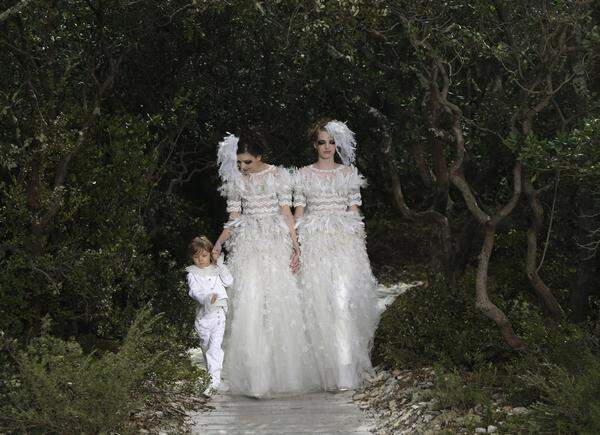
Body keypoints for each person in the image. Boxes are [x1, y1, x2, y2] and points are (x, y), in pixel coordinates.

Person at [212, 127, 319, 398]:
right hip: (248, 243)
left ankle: (281, 375)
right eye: (239, 162)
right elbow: (234, 216)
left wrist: (295, 243)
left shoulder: (279, 176)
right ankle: (254, 378)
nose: (243, 166)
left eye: (247, 161)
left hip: (274, 242)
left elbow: (286, 212)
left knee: (277, 304)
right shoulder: (236, 181)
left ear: (259, 156)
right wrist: (219, 241)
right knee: (250, 303)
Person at [293, 119, 380, 391]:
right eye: (322, 142)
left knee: (342, 304)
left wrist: (359, 250)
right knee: (319, 306)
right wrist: (295, 247)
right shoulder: (303, 175)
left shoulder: (348, 173)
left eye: (331, 142)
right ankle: (325, 372)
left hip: (344, 245)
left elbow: (354, 212)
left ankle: (345, 373)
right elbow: (298, 215)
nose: (327, 147)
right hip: (315, 243)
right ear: (314, 145)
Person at [186, 236, 233, 397]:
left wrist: (219, 263)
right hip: (203, 317)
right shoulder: (192, 273)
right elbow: (194, 291)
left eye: (204, 255)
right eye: (196, 256)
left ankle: (214, 382)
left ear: (210, 254)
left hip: (219, 314)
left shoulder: (217, 269)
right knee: (207, 348)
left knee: (214, 348)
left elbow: (229, 281)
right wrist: (206, 298)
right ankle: (212, 377)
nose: (200, 259)